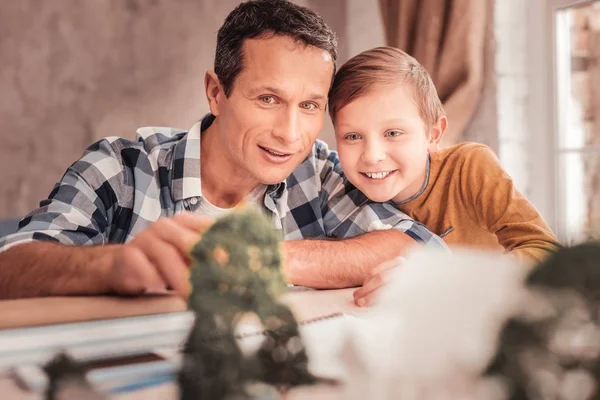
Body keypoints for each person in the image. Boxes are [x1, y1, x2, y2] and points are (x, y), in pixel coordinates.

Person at [0, 1, 444, 300]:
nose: (291, 134)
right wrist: (109, 267)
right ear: (216, 93)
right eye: (268, 99)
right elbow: (11, 265)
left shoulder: (319, 173)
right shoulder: (120, 168)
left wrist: (263, 258)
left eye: (309, 106)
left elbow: (416, 246)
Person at [327, 46, 561, 306]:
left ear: (434, 135)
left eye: (393, 133)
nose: (372, 156)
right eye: (352, 137)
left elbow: (545, 250)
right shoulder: (342, 194)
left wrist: (444, 280)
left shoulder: (469, 167)